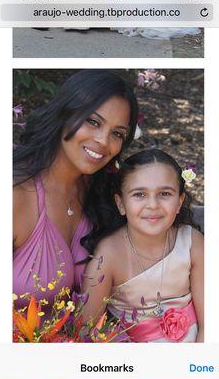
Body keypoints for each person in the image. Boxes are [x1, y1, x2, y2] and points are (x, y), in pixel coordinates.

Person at [13, 69, 138, 314]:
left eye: (117, 133)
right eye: (93, 121)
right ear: (65, 113)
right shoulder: (15, 195)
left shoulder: (101, 193)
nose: (103, 141)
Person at [82, 149, 204, 342]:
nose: (153, 205)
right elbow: (86, 329)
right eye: (139, 194)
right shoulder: (109, 255)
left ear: (179, 201)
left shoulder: (193, 243)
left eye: (164, 193)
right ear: (121, 203)